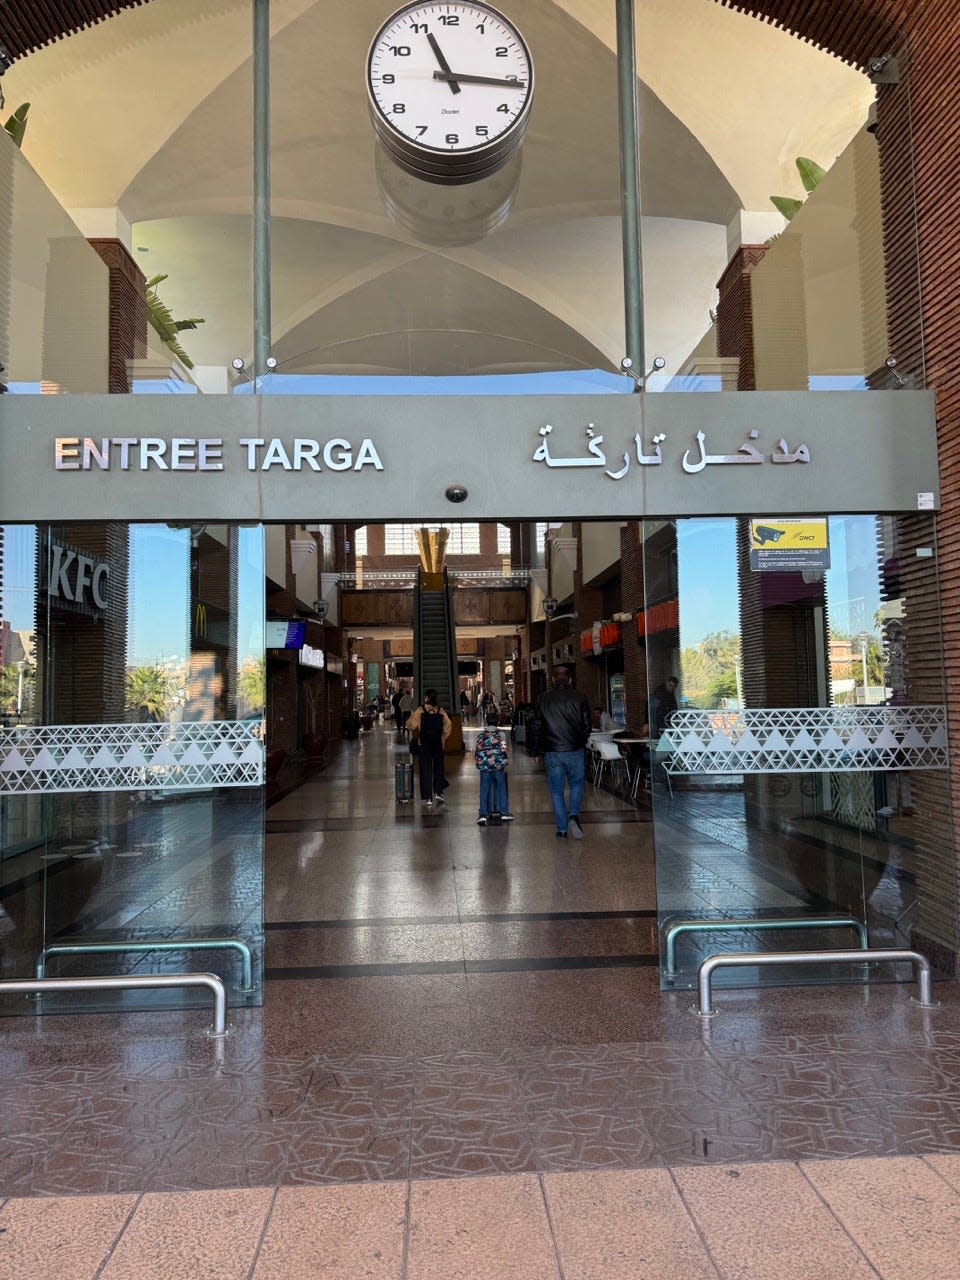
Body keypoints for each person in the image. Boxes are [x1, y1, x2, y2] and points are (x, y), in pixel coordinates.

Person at [528, 664, 592, 839]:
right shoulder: (580, 697)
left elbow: (536, 727)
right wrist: (581, 741)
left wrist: (533, 751)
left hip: (552, 751)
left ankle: (562, 830)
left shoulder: (542, 699)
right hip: (575, 749)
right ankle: (573, 815)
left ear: (553, 679)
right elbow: (587, 725)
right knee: (577, 784)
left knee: (556, 791)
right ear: (570, 679)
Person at [406, 688, 451, 807]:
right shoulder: (440, 710)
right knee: (439, 767)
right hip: (437, 743)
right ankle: (438, 792)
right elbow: (448, 725)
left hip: (424, 744)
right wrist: (443, 738)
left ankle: (428, 798)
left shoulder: (420, 710)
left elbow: (410, 725)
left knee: (425, 770)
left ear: (426, 698)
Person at [474, 709, 512, 825]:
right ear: (497, 721)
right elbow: (503, 749)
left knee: (484, 788)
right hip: (498, 765)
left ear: (486, 721)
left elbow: (477, 750)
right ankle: (504, 813)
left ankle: (483, 815)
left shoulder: (480, 735)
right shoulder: (501, 735)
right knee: (501, 787)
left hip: (484, 765)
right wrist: (504, 761)